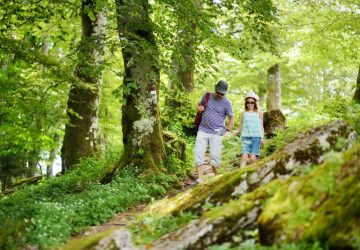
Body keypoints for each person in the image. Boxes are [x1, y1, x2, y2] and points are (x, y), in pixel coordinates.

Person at [194, 80, 234, 184]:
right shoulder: (207, 96)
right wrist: (199, 108)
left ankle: (217, 180)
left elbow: (231, 118)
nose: (220, 95)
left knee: (215, 157)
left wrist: (228, 131)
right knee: (198, 153)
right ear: (215, 89)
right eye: (218, 92)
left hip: (217, 133)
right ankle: (200, 179)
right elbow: (199, 107)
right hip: (203, 130)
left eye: (222, 94)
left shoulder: (227, 103)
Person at [232, 90, 264, 168]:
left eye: (252, 102)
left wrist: (262, 138)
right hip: (245, 137)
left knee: (253, 158)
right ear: (246, 103)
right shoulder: (243, 114)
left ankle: (255, 173)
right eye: (248, 102)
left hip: (256, 138)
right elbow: (239, 128)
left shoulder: (259, 113)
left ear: (255, 103)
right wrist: (230, 135)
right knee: (244, 157)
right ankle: (241, 175)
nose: (250, 104)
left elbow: (261, 126)